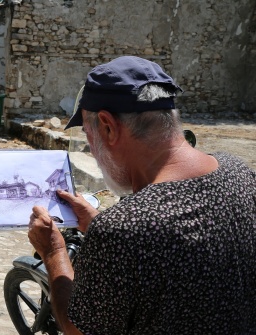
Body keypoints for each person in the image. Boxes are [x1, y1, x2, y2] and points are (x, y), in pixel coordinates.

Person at [27, 56, 256, 334]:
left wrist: (53, 252)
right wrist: (98, 223)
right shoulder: (239, 171)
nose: (92, 148)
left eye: (89, 134)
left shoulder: (122, 230)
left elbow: (79, 329)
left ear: (108, 127)